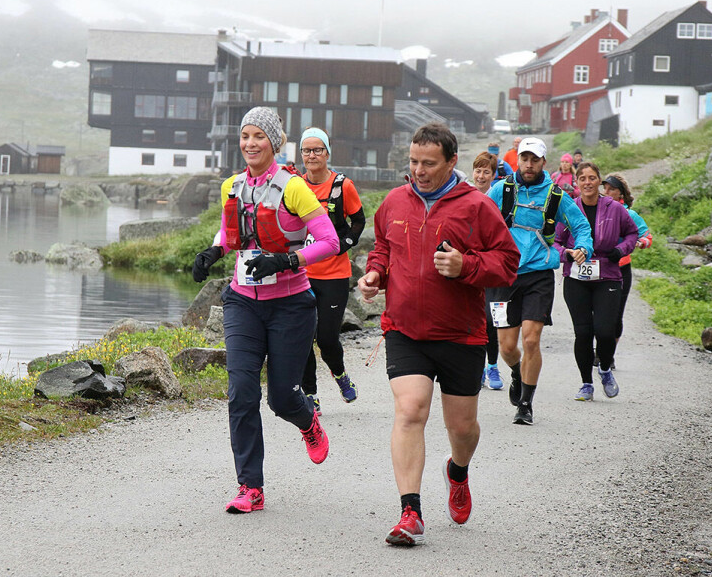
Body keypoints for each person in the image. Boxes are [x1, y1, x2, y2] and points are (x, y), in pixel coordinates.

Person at [357, 123, 519, 546]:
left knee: (461, 427)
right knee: (410, 411)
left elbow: (506, 263)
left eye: (429, 163)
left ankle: (458, 471)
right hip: (405, 330)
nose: (419, 170)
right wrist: (375, 273)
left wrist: (466, 267)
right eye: (413, 162)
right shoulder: (394, 200)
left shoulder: (477, 206)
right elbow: (384, 247)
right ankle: (410, 512)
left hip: (460, 334)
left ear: (451, 162)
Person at [191, 107, 340, 514]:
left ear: (274, 142)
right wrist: (214, 250)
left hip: (290, 306)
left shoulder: (294, 188)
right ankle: (250, 487)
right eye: (245, 136)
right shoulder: (232, 186)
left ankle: (307, 420)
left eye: (259, 136)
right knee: (241, 393)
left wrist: (287, 261)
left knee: (281, 399)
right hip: (242, 302)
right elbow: (231, 230)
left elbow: (329, 242)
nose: (250, 143)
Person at [486, 138, 593, 425]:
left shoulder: (555, 195)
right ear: (518, 160)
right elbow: (476, 217)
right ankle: (516, 373)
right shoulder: (502, 190)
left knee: (531, 339)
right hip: (504, 274)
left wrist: (584, 246)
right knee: (507, 347)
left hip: (539, 275)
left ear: (544, 162)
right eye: (525, 159)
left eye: (535, 159)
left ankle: (525, 404)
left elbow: (581, 225)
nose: (529, 165)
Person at [554, 162, 638, 401]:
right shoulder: (568, 209)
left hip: (607, 275)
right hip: (576, 277)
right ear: (577, 183)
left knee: (604, 330)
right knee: (582, 333)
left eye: (592, 178)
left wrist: (620, 250)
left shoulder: (615, 209)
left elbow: (633, 233)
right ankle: (586, 383)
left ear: (599, 182)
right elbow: (555, 241)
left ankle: (604, 369)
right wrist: (567, 254)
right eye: (583, 179)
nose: (587, 183)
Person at [298, 127, 365, 414]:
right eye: (307, 150)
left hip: (335, 276)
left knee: (326, 339)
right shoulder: (295, 186)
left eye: (317, 150)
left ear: (327, 153)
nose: (312, 155)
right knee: (302, 338)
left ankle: (340, 375)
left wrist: (341, 245)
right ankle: (310, 395)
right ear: (301, 155)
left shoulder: (342, 186)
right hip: (301, 274)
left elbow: (359, 221)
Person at [602, 173, 653, 354]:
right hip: (600, 268)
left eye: (612, 189)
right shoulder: (597, 211)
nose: (607, 192)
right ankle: (600, 349)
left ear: (620, 194)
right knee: (598, 315)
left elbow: (647, 236)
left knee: (615, 315)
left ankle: (609, 354)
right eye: (605, 188)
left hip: (622, 269)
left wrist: (640, 242)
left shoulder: (629, 214)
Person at [470, 151, 506, 391]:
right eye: (478, 170)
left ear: (493, 176)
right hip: (469, 265)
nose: (481, 176)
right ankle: (475, 367)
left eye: (486, 172)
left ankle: (492, 365)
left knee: (492, 319)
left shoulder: (499, 199)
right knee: (471, 319)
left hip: (492, 266)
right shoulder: (463, 195)